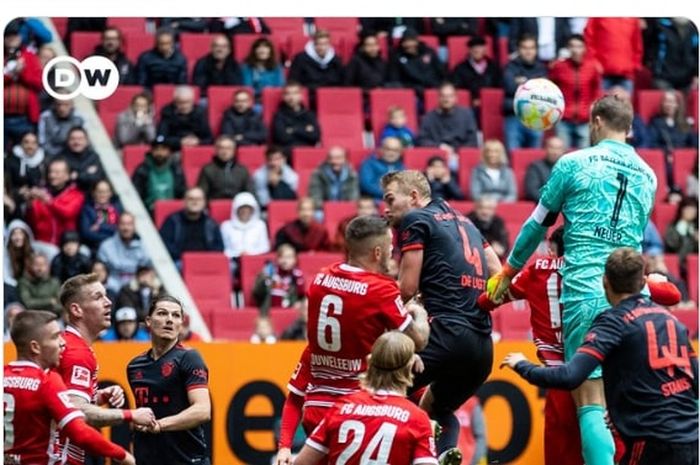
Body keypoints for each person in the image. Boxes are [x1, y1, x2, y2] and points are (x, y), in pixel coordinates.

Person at [488, 95, 658, 465]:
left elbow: (538, 224)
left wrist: (509, 270)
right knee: (631, 397)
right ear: (629, 129)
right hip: (635, 293)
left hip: (586, 291)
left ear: (595, 121)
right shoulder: (649, 174)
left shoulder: (573, 163)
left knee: (590, 400)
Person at [481, 228, 682, 465]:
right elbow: (672, 295)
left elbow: (488, 300)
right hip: (601, 380)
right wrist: (653, 281)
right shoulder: (601, 272)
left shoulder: (535, 272)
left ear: (554, 248)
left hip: (558, 380)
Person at [275, 216, 430, 465]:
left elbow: (355, 324)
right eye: (391, 246)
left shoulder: (320, 280)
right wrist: (418, 314)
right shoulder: (381, 289)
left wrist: (284, 446)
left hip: (316, 409)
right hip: (358, 413)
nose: (393, 252)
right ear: (378, 252)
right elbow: (419, 340)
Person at [381, 170, 502, 461]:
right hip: (482, 348)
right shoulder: (467, 221)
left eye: (390, 198)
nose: (385, 208)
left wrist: (376, 321)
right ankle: (446, 453)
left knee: (379, 391)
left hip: (445, 334)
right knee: (438, 408)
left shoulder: (415, 219)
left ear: (413, 196)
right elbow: (498, 273)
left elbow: (406, 288)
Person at [4, 310, 136, 465]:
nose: (62, 342)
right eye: (54, 337)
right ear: (35, 347)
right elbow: (80, 432)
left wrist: (96, 397)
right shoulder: (46, 381)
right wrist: (123, 455)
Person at [55, 273, 157, 465]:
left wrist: (99, 396)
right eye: (98, 297)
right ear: (76, 310)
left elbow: (62, 400)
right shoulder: (76, 351)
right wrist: (131, 414)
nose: (108, 302)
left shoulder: (72, 345)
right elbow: (77, 412)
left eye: (106, 295)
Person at [293, 332, 437, 465]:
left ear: (369, 362)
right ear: (409, 367)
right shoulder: (417, 419)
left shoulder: (341, 408)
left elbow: (301, 463)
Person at [127, 295, 212, 465]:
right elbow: (143, 414)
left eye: (176, 315)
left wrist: (160, 425)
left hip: (187, 460)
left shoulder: (189, 358)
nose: (169, 320)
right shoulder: (134, 367)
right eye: (162, 313)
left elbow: (203, 410)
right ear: (149, 321)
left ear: (181, 324)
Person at [548, 34, 603, 149]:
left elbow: (597, 91)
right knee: (562, 157)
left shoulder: (593, 67)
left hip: (584, 120)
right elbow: (551, 90)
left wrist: (592, 109)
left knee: (584, 158)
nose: (576, 50)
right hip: (563, 120)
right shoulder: (559, 67)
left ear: (584, 48)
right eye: (572, 46)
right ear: (568, 48)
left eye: (579, 46)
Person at [503, 33, 548, 152]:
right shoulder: (510, 67)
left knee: (535, 155)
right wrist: (534, 84)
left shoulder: (541, 68)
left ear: (536, 50)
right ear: (518, 49)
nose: (528, 51)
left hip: (536, 118)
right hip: (514, 115)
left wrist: (522, 82)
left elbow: (544, 91)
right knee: (513, 156)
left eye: (532, 48)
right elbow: (510, 87)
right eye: (525, 48)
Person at [417, 82, 479, 168]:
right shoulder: (428, 117)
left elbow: (472, 141)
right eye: (443, 96)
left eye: (450, 96)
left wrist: (457, 152)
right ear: (438, 98)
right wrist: (440, 147)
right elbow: (421, 141)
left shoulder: (466, 115)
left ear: (456, 98)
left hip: (460, 157)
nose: (446, 100)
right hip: (436, 159)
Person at [26, 157, 85, 246]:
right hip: (42, 243)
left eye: (57, 173)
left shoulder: (76, 195)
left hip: (66, 246)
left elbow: (67, 213)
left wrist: (48, 201)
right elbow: (33, 222)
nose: (52, 176)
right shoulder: (41, 193)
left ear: (67, 176)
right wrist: (30, 205)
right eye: (50, 172)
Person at [159, 187, 224, 265]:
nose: (195, 202)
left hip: (206, 262)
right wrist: (186, 258)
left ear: (204, 202)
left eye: (199, 199)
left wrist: (205, 259)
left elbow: (219, 247)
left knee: (230, 267)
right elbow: (165, 244)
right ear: (184, 201)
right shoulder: (172, 221)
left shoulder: (211, 223)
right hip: (180, 261)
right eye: (191, 199)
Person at [4, 20, 43, 148]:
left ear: (20, 37)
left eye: (14, 35)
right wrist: (10, 74)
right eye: (8, 36)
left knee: (24, 152)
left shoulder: (30, 56)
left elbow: (39, 84)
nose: (12, 39)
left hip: (24, 118)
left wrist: (23, 73)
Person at [221, 191, 270, 285]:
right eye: (242, 208)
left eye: (248, 208)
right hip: (233, 262)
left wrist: (249, 255)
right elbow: (223, 249)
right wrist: (238, 254)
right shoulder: (226, 226)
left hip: (255, 261)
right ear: (236, 209)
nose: (245, 211)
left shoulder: (260, 225)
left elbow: (265, 247)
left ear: (253, 210)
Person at [583, 18, 642, 93]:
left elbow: (637, 44)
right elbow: (588, 38)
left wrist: (634, 66)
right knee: (601, 103)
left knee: (625, 104)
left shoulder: (633, 19)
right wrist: (593, 62)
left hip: (626, 75)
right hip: (602, 74)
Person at [97, 212, 150, 293]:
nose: (126, 228)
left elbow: (146, 269)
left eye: (129, 224)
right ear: (117, 226)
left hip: (135, 286)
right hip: (112, 287)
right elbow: (100, 270)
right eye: (123, 224)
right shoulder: (106, 246)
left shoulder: (143, 246)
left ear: (134, 226)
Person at [132, 135, 187, 212]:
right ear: (152, 151)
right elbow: (135, 195)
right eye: (156, 149)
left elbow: (182, 192)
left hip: (173, 212)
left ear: (169, 152)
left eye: (163, 149)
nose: (160, 153)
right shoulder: (142, 170)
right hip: (148, 212)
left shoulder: (176, 169)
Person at [450, 36, 501, 118]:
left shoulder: (494, 67)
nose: (477, 50)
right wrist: (472, 100)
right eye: (474, 48)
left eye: (480, 47)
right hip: (469, 105)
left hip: (491, 103)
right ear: (469, 50)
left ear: (485, 49)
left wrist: (485, 100)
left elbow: (499, 87)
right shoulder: (460, 68)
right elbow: (457, 89)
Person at [252, 243, 305, 315]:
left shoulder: (297, 276)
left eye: (289, 257)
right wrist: (263, 278)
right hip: (269, 313)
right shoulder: (269, 272)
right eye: (282, 257)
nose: (285, 261)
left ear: (295, 260)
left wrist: (299, 303)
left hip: (290, 314)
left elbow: (301, 296)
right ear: (277, 259)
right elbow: (257, 294)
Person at [388, 28, 444, 95]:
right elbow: (395, 80)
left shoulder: (428, 52)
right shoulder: (397, 57)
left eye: (412, 40)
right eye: (406, 41)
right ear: (402, 43)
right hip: (412, 93)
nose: (410, 44)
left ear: (417, 41)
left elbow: (441, 72)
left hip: (433, 89)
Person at [196, 135, 254, 200]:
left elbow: (249, 194)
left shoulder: (242, 170)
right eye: (221, 148)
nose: (225, 152)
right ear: (216, 150)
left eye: (228, 148)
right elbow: (202, 194)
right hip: (214, 205)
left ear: (234, 151)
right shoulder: (207, 169)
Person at [157, 85, 213, 151]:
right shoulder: (167, 112)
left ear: (192, 100)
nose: (184, 106)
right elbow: (161, 138)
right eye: (181, 103)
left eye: (187, 102)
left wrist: (198, 141)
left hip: (196, 148)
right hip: (174, 149)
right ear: (175, 102)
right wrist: (180, 141)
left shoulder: (200, 113)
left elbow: (209, 138)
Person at [288, 30, 344, 94]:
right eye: (319, 44)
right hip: (310, 96)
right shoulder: (300, 59)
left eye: (325, 44)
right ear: (313, 44)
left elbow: (342, 83)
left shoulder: (336, 61)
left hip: (332, 96)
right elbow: (293, 81)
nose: (322, 48)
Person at [308, 146, 360, 210]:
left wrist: (343, 209)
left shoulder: (352, 175)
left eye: (338, 158)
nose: (334, 161)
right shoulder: (318, 174)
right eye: (331, 158)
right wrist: (330, 209)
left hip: (345, 209)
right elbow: (315, 197)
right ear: (327, 160)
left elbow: (353, 198)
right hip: (323, 209)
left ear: (345, 159)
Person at [272, 81, 321, 149]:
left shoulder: (309, 114)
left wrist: (292, 129)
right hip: (288, 151)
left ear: (301, 95)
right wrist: (305, 130)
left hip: (307, 151)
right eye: (287, 94)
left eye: (295, 93)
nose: (291, 97)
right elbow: (282, 138)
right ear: (283, 97)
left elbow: (315, 136)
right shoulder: (279, 115)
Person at [78, 179, 122, 251]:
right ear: (93, 193)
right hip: (95, 246)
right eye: (99, 192)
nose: (103, 195)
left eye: (106, 192)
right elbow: (86, 233)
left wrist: (100, 227)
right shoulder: (87, 209)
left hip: (117, 246)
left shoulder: (117, 208)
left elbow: (120, 229)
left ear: (110, 193)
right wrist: (111, 237)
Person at [60, 126, 106, 192]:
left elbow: (97, 178)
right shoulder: (62, 158)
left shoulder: (93, 157)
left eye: (80, 139)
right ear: (68, 141)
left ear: (87, 141)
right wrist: (86, 172)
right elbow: (62, 180)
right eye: (72, 139)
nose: (76, 142)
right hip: (68, 195)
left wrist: (77, 176)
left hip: (90, 196)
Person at [241, 37, 285, 101]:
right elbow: (247, 88)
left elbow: (280, 86)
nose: (262, 50)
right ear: (254, 51)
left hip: (273, 99)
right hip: (254, 100)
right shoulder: (247, 67)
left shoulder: (277, 67)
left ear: (270, 51)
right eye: (259, 47)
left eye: (265, 47)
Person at [524, 136, 566, 202]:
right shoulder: (536, 167)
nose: (555, 152)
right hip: (543, 206)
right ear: (545, 149)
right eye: (552, 148)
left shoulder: (569, 168)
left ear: (563, 151)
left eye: (558, 149)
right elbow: (532, 191)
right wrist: (553, 202)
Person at [663, 196, 698, 264]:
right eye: (688, 208)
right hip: (677, 261)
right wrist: (689, 239)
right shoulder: (673, 227)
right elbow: (671, 246)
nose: (691, 212)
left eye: (693, 209)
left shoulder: (696, 228)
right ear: (681, 209)